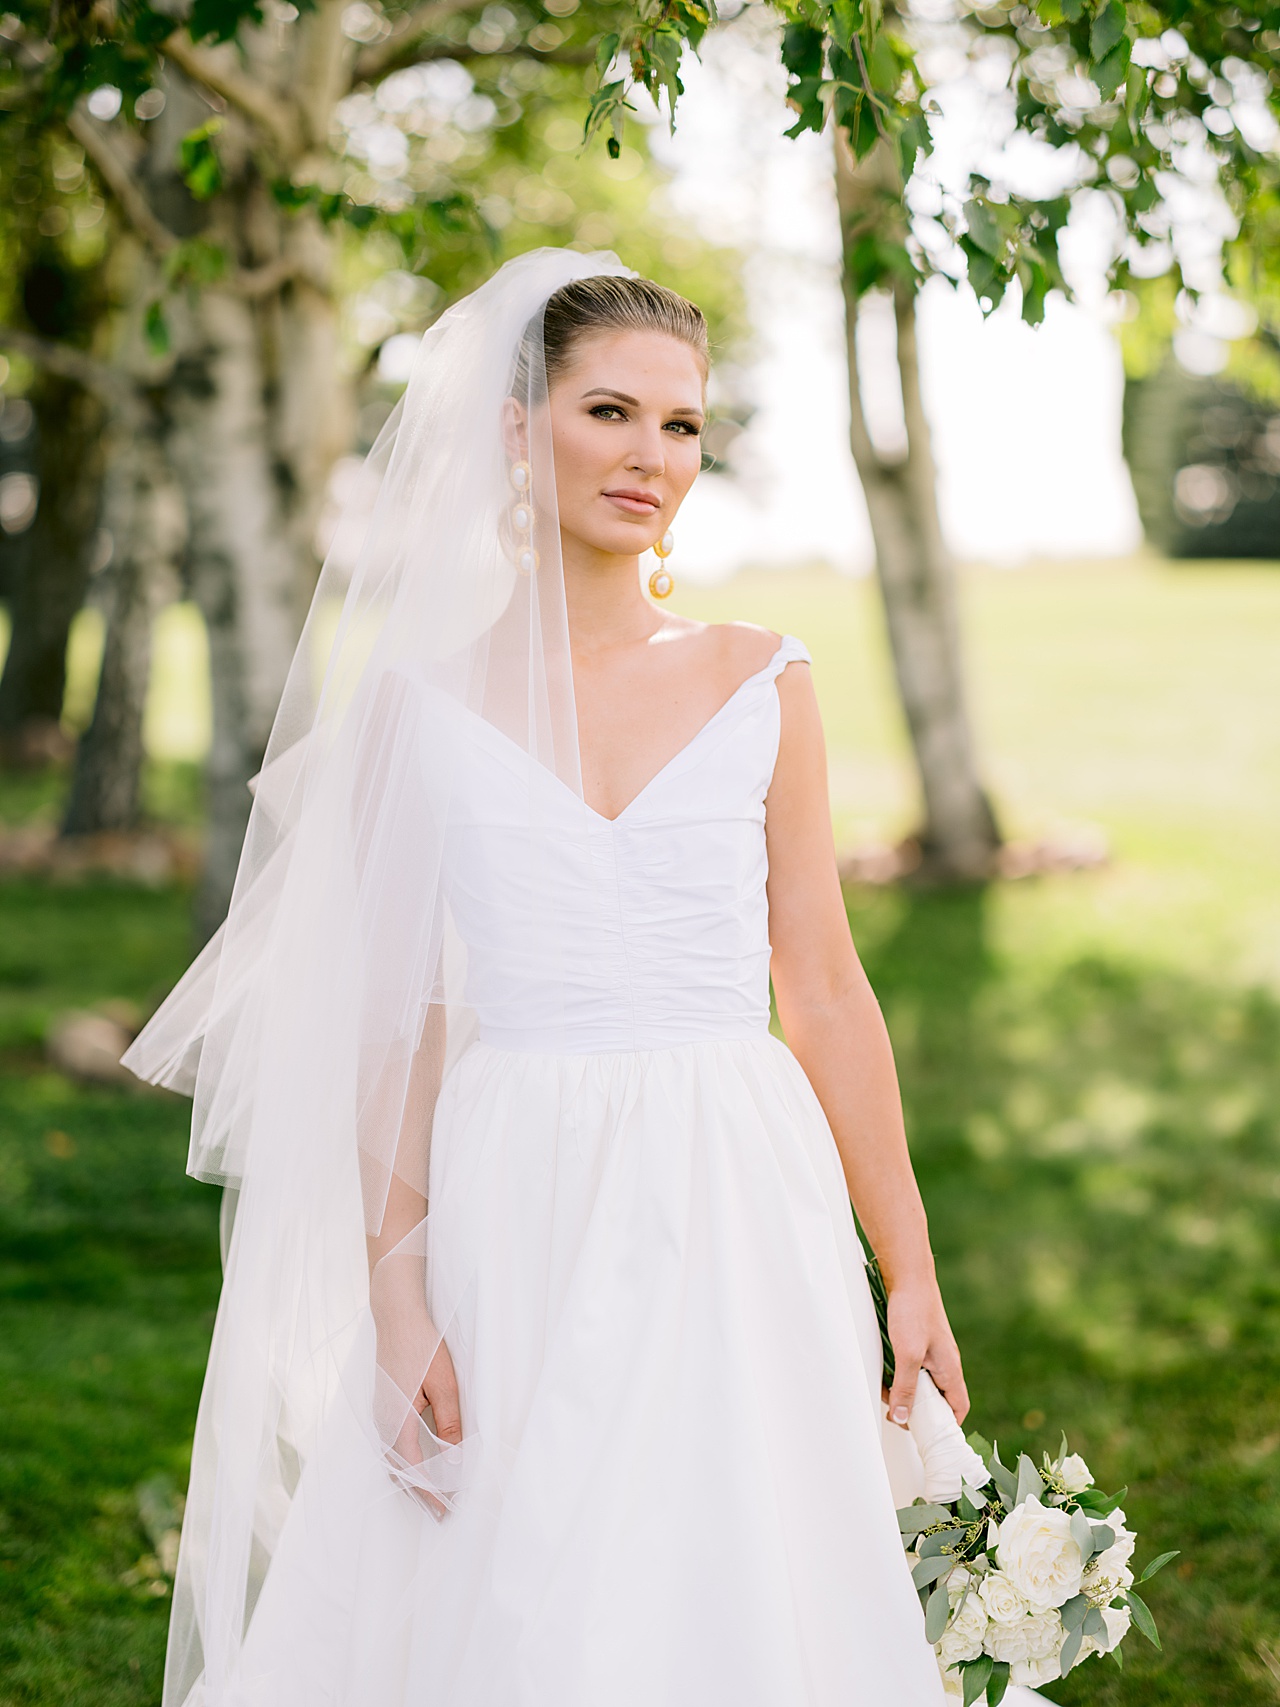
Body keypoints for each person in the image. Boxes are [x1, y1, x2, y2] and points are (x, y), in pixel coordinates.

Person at [124, 249, 973, 1707]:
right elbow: (402, 1026)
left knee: (734, 1555)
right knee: (519, 1562)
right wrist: (399, 1296)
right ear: (515, 432)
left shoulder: (764, 678)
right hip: (514, 1182)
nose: (653, 457)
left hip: (730, 1175)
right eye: (610, 412)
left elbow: (821, 983)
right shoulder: (419, 706)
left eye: (683, 425)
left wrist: (909, 1263)